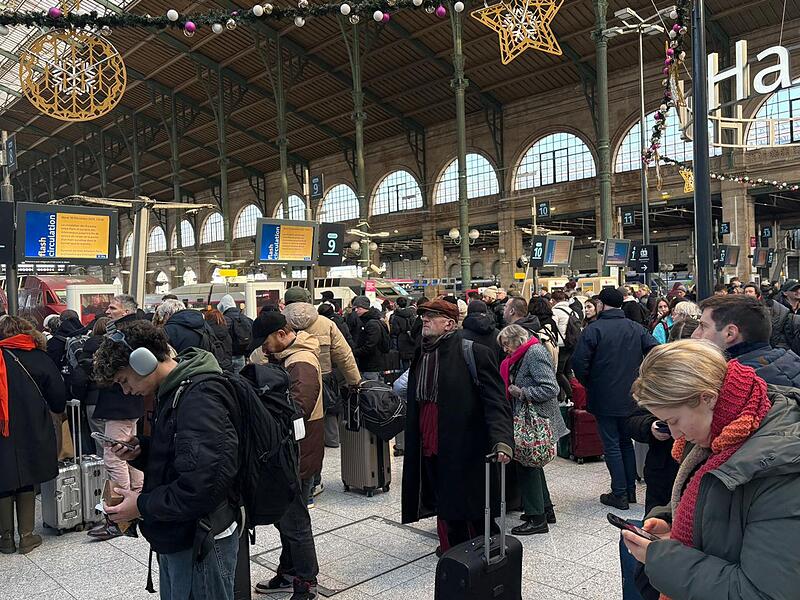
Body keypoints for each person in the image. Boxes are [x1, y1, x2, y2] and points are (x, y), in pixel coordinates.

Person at [624, 339, 800, 600]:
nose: (674, 434)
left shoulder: (781, 469)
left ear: (707, 398)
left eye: (674, 421)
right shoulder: (730, 427)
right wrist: (673, 521)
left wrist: (661, 559)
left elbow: (762, 593)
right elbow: (725, 507)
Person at [94, 321, 240, 600]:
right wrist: (142, 452)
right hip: (182, 532)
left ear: (144, 361)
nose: (126, 391)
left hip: (202, 539)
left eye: (125, 380)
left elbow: (201, 485)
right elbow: (186, 458)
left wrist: (140, 505)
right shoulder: (174, 390)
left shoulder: (198, 399)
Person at [401, 299, 513, 553]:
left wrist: (502, 439)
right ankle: (452, 550)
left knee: (470, 505)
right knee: (444, 502)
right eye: (423, 316)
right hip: (428, 443)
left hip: (463, 444)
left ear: (449, 324)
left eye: (432, 316)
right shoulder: (422, 352)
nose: (425, 320)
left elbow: (496, 401)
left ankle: (480, 554)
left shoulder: (472, 352)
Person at [249, 312, 321, 600]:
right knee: (287, 518)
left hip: (298, 452)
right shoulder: (285, 358)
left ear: (281, 334)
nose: (262, 348)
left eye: (265, 341)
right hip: (291, 450)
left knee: (295, 521)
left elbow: (297, 408)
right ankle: (289, 571)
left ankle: (306, 582)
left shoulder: (300, 362)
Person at [571, 287, 658, 510]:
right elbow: (657, 351)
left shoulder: (594, 330)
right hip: (632, 395)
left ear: (601, 304)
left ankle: (619, 493)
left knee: (611, 444)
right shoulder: (636, 328)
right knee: (625, 442)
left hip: (603, 396)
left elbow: (579, 363)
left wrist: (591, 382)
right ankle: (629, 491)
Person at [0, 316, 66, 555]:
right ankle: (27, 536)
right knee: (27, 475)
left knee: (3, 476)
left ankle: (5, 538)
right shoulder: (38, 356)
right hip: (31, 426)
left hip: (1, 429)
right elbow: (58, 396)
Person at [283, 289, 360, 491]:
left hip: (287, 382)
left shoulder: (279, 324)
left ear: (285, 301)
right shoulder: (326, 323)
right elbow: (344, 355)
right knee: (315, 433)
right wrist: (354, 381)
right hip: (323, 383)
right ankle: (314, 481)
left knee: (290, 431)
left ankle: (291, 478)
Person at [497, 324, 567, 535]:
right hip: (530, 419)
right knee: (532, 463)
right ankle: (544, 509)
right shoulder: (524, 353)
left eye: (506, 345)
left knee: (527, 464)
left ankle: (537, 519)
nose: (505, 350)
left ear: (517, 340)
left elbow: (550, 388)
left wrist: (522, 392)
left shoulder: (534, 353)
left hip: (537, 420)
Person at [692, 294, 800, 387]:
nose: (695, 335)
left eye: (703, 326)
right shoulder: (789, 363)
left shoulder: (737, 387)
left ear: (730, 333)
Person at [351, 295, 388, 380]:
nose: (356, 310)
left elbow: (370, 346)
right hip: (372, 363)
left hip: (371, 365)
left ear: (365, 308)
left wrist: (355, 352)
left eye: (358, 308)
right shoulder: (370, 320)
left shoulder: (372, 324)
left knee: (371, 389)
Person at [550, 290, 578, 402]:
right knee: (568, 371)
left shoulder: (555, 311)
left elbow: (552, 326)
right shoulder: (572, 311)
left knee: (558, 372)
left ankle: (571, 395)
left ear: (553, 300)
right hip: (571, 343)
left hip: (561, 344)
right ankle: (574, 393)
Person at [218, 294, 254, 372]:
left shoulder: (222, 321)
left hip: (227, 358)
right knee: (240, 380)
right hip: (242, 356)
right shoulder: (247, 319)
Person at [389, 297, 418, 369]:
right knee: (414, 361)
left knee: (405, 362)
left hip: (402, 340)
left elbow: (395, 331)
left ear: (397, 305)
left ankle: (405, 378)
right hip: (412, 338)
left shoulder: (396, 316)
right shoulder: (412, 314)